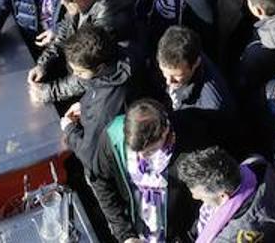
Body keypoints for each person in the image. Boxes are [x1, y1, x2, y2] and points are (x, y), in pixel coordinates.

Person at [87, 99, 203, 243]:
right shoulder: (113, 136)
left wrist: (188, 238)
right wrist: (125, 234)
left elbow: (204, 201)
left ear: (165, 130)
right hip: (135, 229)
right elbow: (101, 182)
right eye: (135, 151)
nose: (141, 158)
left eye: (150, 151)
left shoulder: (192, 146)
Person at [28, 0, 137, 103]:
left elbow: (88, 66)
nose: (62, 3)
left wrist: (50, 92)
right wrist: (44, 63)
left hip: (101, 89)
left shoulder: (110, 16)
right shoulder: (77, 0)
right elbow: (66, 28)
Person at [57, 25, 134, 168]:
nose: (75, 75)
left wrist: (69, 130)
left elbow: (91, 158)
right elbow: (98, 86)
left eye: (79, 72)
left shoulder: (103, 108)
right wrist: (84, 105)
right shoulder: (121, 55)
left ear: (100, 68)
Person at [177, 147, 275, 243]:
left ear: (223, 197)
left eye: (200, 196)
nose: (194, 197)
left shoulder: (230, 237)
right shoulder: (257, 165)